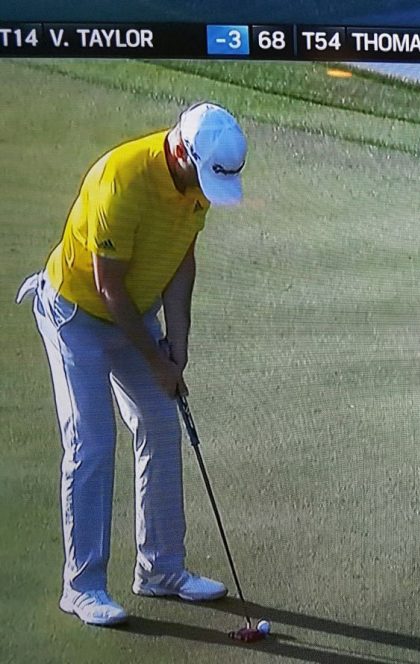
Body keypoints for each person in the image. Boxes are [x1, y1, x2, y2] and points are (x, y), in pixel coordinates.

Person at [15, 102, 247, 626]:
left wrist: (179, 347)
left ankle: (161, 570)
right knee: (92, 442)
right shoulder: (121, 178)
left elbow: (181, 260)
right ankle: (82, 587)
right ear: (182, 151)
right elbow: (109, 288)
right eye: (206, 177)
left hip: (134, 314)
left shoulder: (195, 182)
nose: (207, 191)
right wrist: (157, 361)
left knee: (162, 424)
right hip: (76, 316)